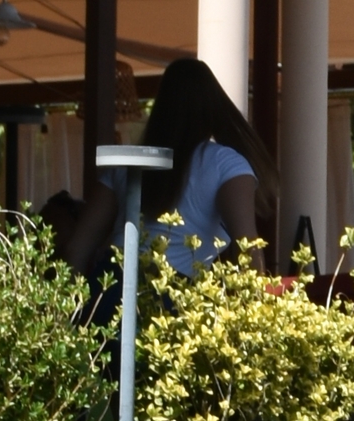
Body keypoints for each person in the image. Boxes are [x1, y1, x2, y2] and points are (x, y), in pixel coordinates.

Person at [60, 57, 274, 280]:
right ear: (213, 107)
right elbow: (247, 249)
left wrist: (77, 308)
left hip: (110, 285)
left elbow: (76, 248)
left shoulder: (128, 166)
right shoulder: (226, 163)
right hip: (166, 295)